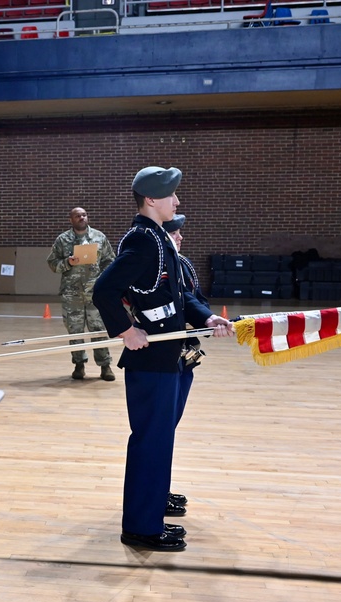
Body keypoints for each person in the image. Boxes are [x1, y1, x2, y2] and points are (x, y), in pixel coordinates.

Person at [92, 166, 234, 552]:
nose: (178, 201)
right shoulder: (143, 240)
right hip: (150, 359)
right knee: (150, 443)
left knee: (159, 442)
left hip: (167, 355)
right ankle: (140, 527)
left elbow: (178, 297)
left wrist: (207, 316)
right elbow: (104, 289)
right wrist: (126, 331)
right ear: (151, 200)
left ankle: (151, 514)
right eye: (172, 195)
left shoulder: (159, 239)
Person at [162, 213, 206, 515]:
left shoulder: (183, 265)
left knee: (170, 426)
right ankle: (156, 492)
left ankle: (160, 489)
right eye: (175, 233)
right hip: (163, 357)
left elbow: (195, 299)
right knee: (161, 429)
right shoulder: (159, 268)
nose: (181, 237)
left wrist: (208, 318)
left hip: (184, 357)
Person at [47, 207, 117, 381]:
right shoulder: (63, 240)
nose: (81, 218)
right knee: (75, 331)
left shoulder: (99, 238)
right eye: (77, 216)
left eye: (84, 215)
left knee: (99, 329)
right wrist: (67, 262)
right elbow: (52, 263)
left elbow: (111, 260)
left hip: (95, 294)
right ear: (71, 219)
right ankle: (79, 365)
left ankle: (105, 366)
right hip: (72, 295)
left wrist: (102, 278)